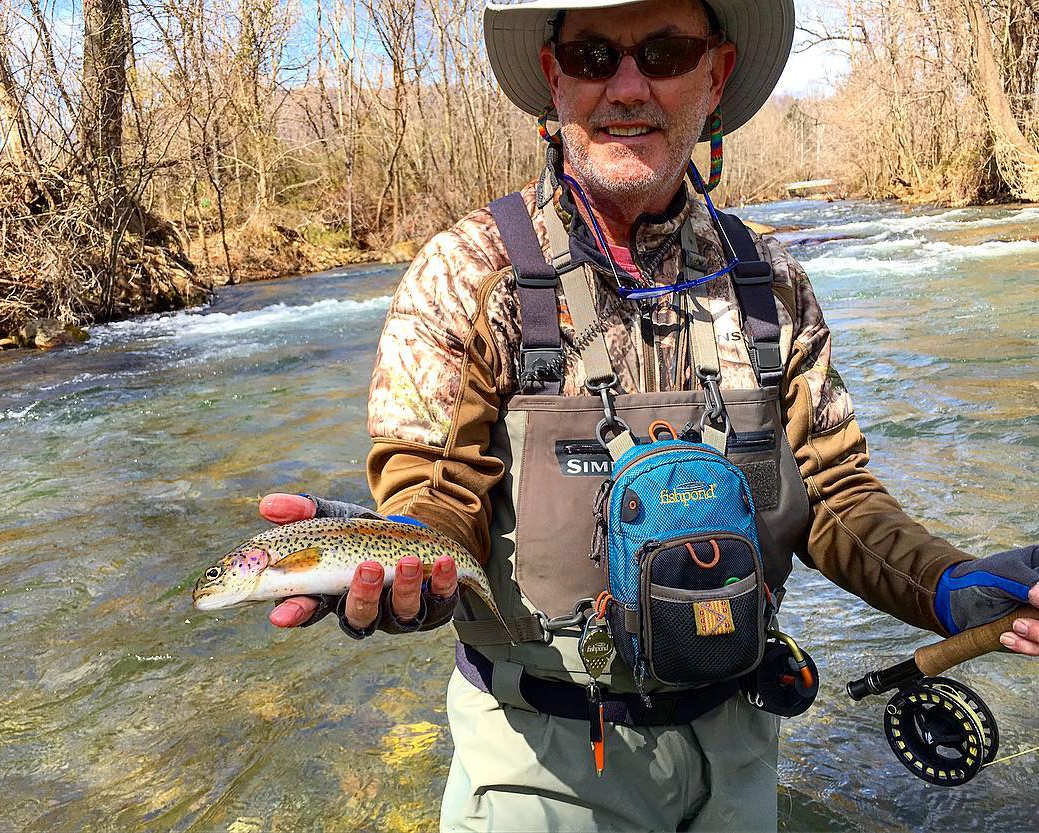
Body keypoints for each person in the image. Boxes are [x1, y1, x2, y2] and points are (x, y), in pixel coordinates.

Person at [259, 0, 1039, 829]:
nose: (628, 87)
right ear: (555, 77)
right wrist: (401, 564)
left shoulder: (771, 283)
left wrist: (952, 585)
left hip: (741, 752)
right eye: (594, 56)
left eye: (664, 52)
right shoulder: (465, 274)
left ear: (717, 74)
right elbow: (435, 496)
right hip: (538, 763)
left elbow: (835, 494)